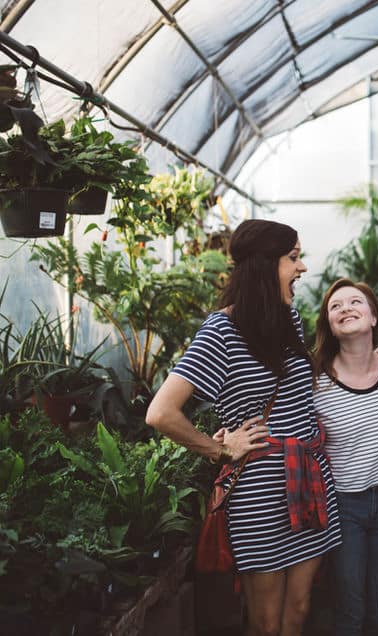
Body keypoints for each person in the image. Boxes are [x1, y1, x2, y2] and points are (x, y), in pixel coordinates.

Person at [146, 219, 341, 636]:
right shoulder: (220, 331)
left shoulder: (290, 321)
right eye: (293, 258)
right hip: (260, 493)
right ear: (264, 265)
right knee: (266, 623)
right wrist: (219, 448)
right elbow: (161, 412)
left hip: (308, 480)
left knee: (299, 611)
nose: (302, 267)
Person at [311, 278, 378, 636]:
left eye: (355, 302)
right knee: (349, 612)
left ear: (373, 317)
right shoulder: (316, 383)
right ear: (329, 324)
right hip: (343, 507)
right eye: (336, 306)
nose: (345, 309)